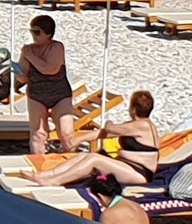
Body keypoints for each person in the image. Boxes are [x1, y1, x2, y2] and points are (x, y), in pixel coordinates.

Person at [21, 90, 161, 191]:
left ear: (133, 109)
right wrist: (78, 139)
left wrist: (109, 121)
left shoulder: (142, 126)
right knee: (84, 155)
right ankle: (45, 175)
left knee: (94, 159)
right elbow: (105, 134)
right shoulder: (136, 126)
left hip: (139, 173)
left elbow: (110, 128)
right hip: (129, 166)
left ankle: (54, 181)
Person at [18, 15, 79, 154]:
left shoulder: (56, 47)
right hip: (36, 94)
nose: (34, 35)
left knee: (66, 133)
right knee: (38, 134)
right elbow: (23, 77)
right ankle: (39, 165)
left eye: (37, 32)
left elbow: (49, 69)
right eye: (32, 31)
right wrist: (18, 72)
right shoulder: (28, 50)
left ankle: (72, 164)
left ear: (48, 34)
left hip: (60, 94)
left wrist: (30, 56)